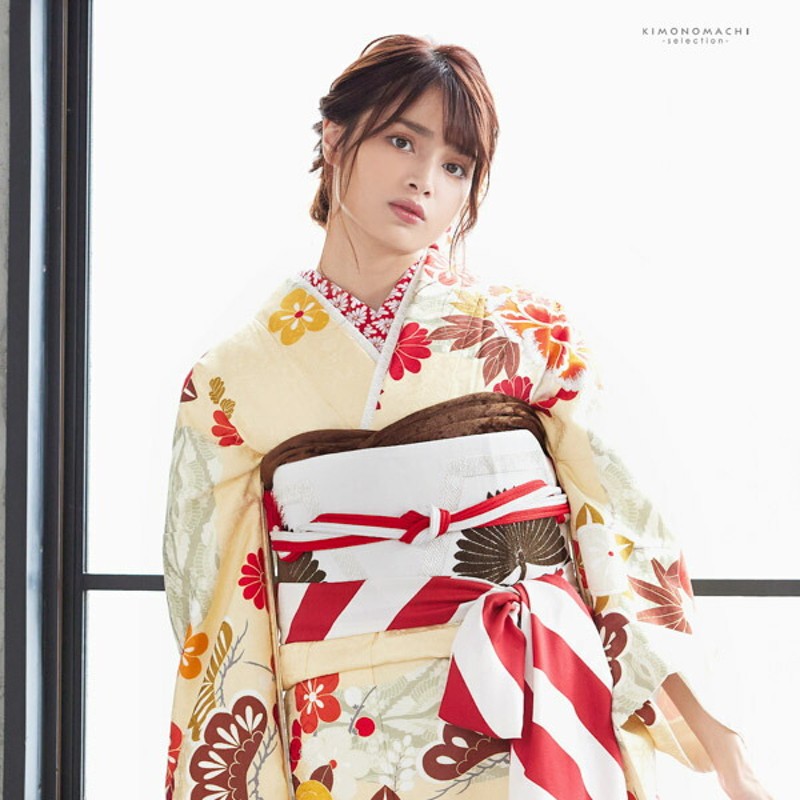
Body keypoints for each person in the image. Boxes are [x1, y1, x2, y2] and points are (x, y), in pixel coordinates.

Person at [162, 34, 772, 800]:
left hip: (536, 716)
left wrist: (728, 751)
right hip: (343, 741)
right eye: (401, 140)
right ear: (335, 137)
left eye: (456, 166)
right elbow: (219, 615)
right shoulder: (229, 382)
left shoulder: (533, 338)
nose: (425, 178)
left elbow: (623, 535)